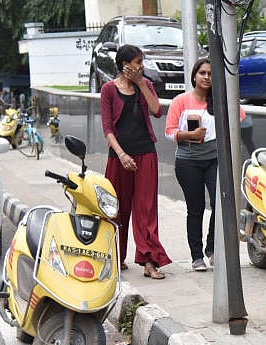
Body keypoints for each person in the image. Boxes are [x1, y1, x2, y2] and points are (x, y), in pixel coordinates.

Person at [165, 58, 245, 271]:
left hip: (214, 159)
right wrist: (188, 134)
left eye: (211, 74)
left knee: (219, 204)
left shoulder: (219, 100)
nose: (207, 77)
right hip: (188, 159)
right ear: (194, 75)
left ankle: (212, 249)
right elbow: (169, 131)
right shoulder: (180, 101)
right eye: (203, 73)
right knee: (196, 208)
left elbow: (240, 118)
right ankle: (196, 255)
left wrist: (226, 98)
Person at [100, 44, 171, 279]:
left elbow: (157, 111)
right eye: (138, 62)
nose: (141, 66)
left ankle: (149, 261)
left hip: (145, 153)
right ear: (124, 65)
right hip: (118, 156)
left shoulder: (146, 84)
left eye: (142, 62)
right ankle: (115, 257)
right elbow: (108, 129)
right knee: (116, 208)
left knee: (146, 209)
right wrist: (121, 155)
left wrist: (141, 83)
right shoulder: (109, 90)